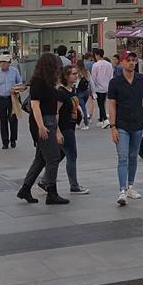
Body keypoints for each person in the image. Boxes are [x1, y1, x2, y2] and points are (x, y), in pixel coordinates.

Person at [17, 53, 69, 205]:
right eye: (56, 64)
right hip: (43, 122)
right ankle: (51, 191)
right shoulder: (38, 82)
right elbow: (35, 105)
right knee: (54, 157)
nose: (58, 67)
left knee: (41, 158)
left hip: (50, 121)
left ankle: (25, 189)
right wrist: (41, 126)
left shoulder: (49, 82)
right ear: (49, 66)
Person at [107, 50, 143, 207]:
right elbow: (112, 104)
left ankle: (130, 187)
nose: (132, 63)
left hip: (137, 124)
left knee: (133, 156)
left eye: (134, 60)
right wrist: (112, 126)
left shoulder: (141, 80)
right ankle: (122, 190)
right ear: (122, 62)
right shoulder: (115, 82)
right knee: (123, 157)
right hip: (121, 124)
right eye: (128, 60)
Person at [55, 65, 88, 195]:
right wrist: (57, 131)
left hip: (70, 126)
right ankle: (74, 185)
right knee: (71, 155)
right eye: (73, 74)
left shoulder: (70, 90)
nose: (76, 76)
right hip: (65, 128)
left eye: (76, 73)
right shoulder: (61, 92)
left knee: (59, 156)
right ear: (66, 76)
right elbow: (55, 112)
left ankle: (46, 181)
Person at [0, 55, 24, 149]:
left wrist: (15, 89)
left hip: (12, 98)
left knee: (13, 119)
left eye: (5, 63)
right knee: (3, 120)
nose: (2, 64)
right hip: (0, 98)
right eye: (1, 63)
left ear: (9, 63)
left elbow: (20, 82)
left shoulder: (14, 71)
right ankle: (5, 141)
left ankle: (13, 139)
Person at [91, 49, 114, 128]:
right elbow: (111, 76)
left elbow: (93, 77)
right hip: (107, 86)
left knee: (100, 104)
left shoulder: (95, 65)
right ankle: (101, 119)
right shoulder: (109, 64)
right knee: (103, 102)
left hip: (98, 87)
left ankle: (105, 119)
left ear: (97, 55)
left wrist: (92, 87)